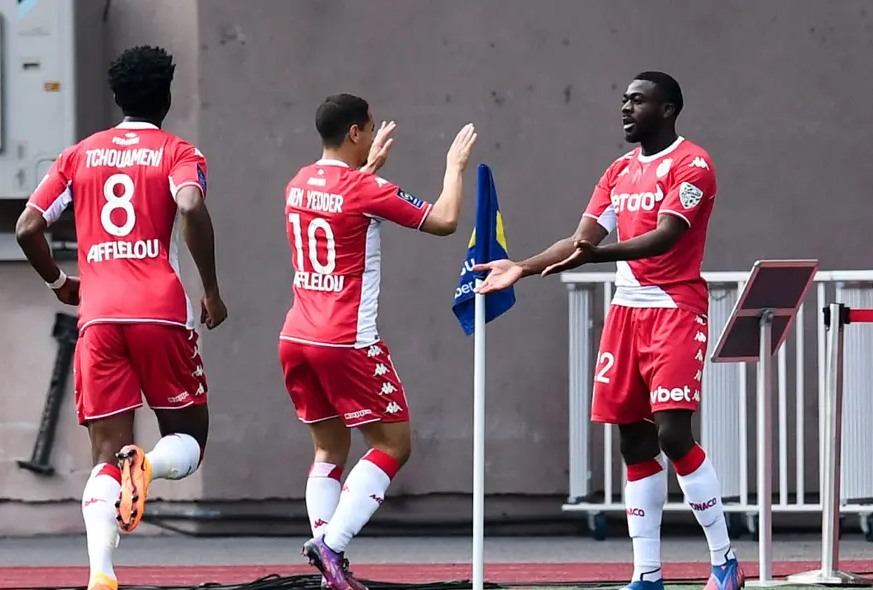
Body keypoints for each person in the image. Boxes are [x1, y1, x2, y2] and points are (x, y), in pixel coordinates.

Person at [474, 72, 743, 590]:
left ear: (668, 110)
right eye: (623, 100)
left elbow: (664, 239)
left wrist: (595, 256)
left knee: (672, 432)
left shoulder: (693, 164)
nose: (625, 108)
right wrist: (523, 267)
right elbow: (580, 239)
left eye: (638, 101)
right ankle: (648, 574)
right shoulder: (618, 170)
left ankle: (725, 561)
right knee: (634, 443)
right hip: (626, 315)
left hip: (674, 309)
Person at [15, 45, 227, 590]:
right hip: (160, 312)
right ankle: (149, 466)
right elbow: (189, 206)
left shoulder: (78, 155)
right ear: (167, 96)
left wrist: (61, 283)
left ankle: (101, 576)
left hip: (100, 315)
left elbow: (27, 227)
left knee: (105, 453)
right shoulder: (177, 150)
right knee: (188, 439)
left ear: (117, 97)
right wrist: (211, 290)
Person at [279, 93, 477, 590]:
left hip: (296, 335)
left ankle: (329, 566)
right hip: (346, 339)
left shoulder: (298, 182)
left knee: (328, 448)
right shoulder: (367, 190)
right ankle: (332, 545)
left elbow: (339, 201)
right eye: (367, 128)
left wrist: (366, 170)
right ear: (354, 133)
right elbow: (445, 219)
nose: (370, 135)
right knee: (394, 444)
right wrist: (454, 167)